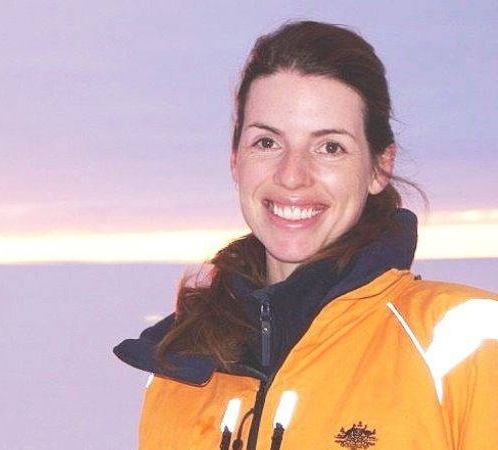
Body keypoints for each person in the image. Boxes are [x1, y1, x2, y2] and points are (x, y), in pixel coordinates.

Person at [113, 20, 498, 450]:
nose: (292, 176)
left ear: (379, 167)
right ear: (235, 159)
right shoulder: (181, 366)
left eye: (329, 147)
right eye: (267, 142)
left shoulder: (464, 347)